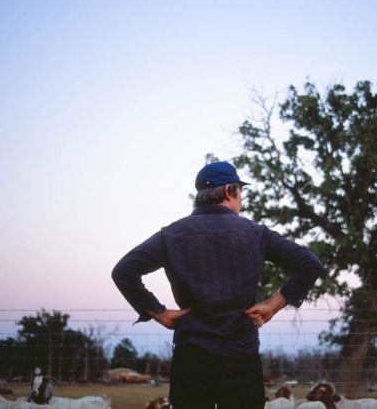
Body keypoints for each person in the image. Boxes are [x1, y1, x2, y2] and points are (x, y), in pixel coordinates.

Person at [111, 161, 323, 409]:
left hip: (191, 355)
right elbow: (310, 264)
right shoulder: (256, 233)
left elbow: (123, 271)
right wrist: (272, 306)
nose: (241, 199)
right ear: (229, 191)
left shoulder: (172, 234)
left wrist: (161, 313)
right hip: (241, 355)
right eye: (240, 191)